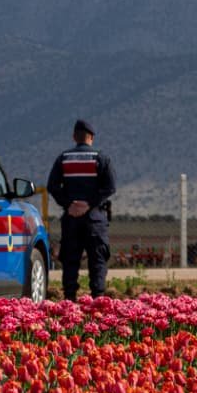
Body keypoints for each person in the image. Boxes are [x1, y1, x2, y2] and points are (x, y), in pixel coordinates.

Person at [46, 119, 116, 301]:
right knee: (97, 260)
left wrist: (69, 204)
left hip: (71, 219)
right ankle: (98, 299)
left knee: (70, 260)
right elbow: (110, 187)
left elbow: (52, 186)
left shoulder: (63, 158)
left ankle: (69, 299)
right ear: (91, 137)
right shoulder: (100, 158)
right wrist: (89, 204)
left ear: (74, 137)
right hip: (95, 219)